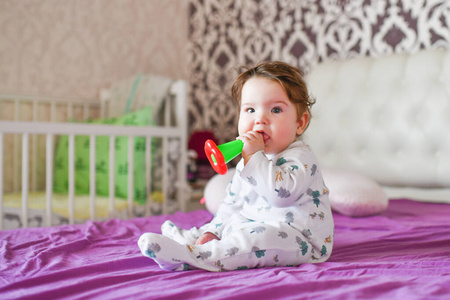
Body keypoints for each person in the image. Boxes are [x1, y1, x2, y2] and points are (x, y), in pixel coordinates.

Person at [138, 61, 334, 272]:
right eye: (250, 109)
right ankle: (197, 240)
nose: (260, 119)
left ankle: (199, 256)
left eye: (276, 109)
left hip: (299, 238)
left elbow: (280, 195)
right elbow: (232, 204)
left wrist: (253, 156)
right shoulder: (248, 161)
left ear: (300, 123)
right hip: (253, 223)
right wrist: (214, 231)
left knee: (259, 239)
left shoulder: (301, 157)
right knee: (230, 225)